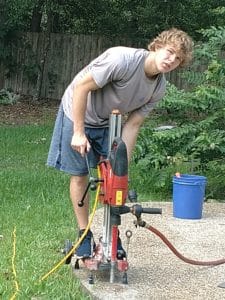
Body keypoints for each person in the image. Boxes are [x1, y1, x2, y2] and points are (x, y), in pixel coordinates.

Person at [47, 28, 193, 258]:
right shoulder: (122, 59)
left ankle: (111, 236)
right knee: (79, 175)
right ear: (157, 46)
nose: (171, 60)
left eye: (178, 59)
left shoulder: (158, 87)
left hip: (107, 121)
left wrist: (122, 166)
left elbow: (133, 125)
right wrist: (78, 131)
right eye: (170, 52)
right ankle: (84, 234)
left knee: (114, 181)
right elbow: (82, 87)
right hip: (76, 111)